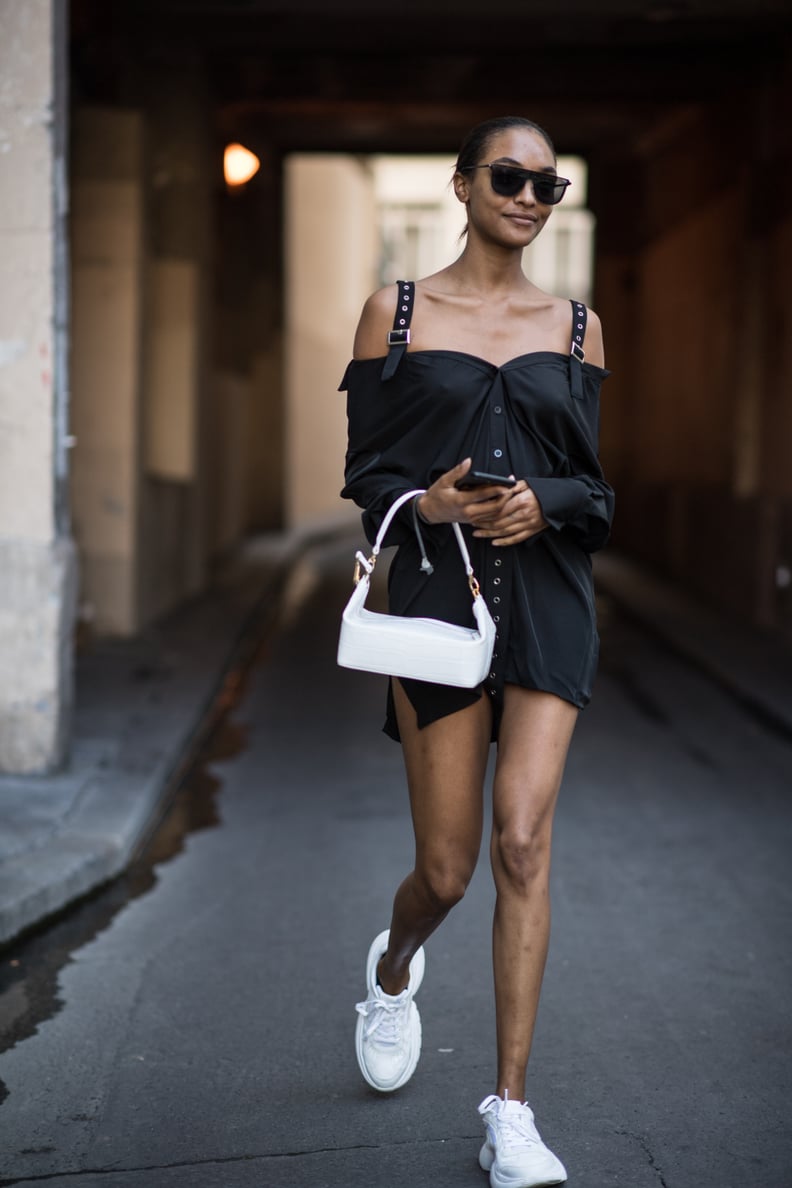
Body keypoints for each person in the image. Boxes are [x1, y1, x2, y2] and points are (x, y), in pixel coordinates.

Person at [339, 115, 614, 1188]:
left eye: (550, 184)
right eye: (510, 176)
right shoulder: (394, 312)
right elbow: (364, 481)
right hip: (434, 610)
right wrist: (430, 501)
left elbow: (597, 490)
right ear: (461, 186)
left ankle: (510, 1111)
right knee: (449, 872)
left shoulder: (579, 326)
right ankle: (395, 965)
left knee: (522, 843)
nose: (530, 196)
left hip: (548, 603)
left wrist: (545, 502)